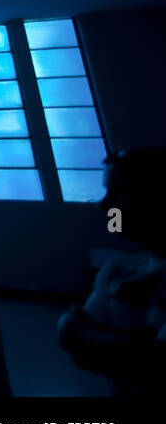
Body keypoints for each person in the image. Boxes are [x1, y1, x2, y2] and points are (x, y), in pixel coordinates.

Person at [57, 148, 166, 395]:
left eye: (116, 194)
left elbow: (156, 366)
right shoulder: (118, 268)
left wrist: (82, 334)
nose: (103, 205)